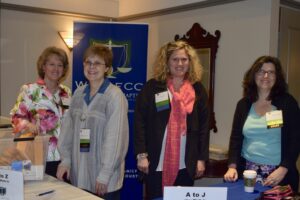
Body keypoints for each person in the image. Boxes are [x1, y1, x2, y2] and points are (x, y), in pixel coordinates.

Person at [134, 40, 210, 199]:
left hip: (186, 163)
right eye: (175, 59)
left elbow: (204, 127)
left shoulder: (198, 89)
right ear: (166, 62)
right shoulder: (153, 87)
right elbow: (139, 122)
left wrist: (201, 158)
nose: (180, 63)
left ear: (190, 62)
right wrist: (142, 155)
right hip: (156, 162)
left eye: (184, 59)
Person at [56, 44, 129, 200]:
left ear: (107, 68)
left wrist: (105, 174)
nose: (92, 67)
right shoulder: (78, 93)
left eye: (97, 63)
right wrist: (66, 160)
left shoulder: (115, 96)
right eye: (88, 62)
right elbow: (67, 130)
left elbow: (115, 140)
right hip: (79, 176)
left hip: (103, 181)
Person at [224, 55, 300, 192]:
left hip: (277, 173)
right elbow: (235, 138)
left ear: (277, 77)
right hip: (247, 173)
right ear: (253, 75)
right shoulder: (243, 105)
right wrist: (232, 166)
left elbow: (296, 139)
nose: (266, 76)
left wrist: (283, 169)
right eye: (261, 71)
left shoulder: (288, 103)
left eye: (271, 72)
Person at [10, 46, 71, 177]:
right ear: (43, 67)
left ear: (64, 69)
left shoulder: (67, 93)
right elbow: (15, 119)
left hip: (64, 159)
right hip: (38, 156)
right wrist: (28, 125)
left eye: (60, 65)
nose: (56, 69)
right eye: (51, 64)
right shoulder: (30, 90)